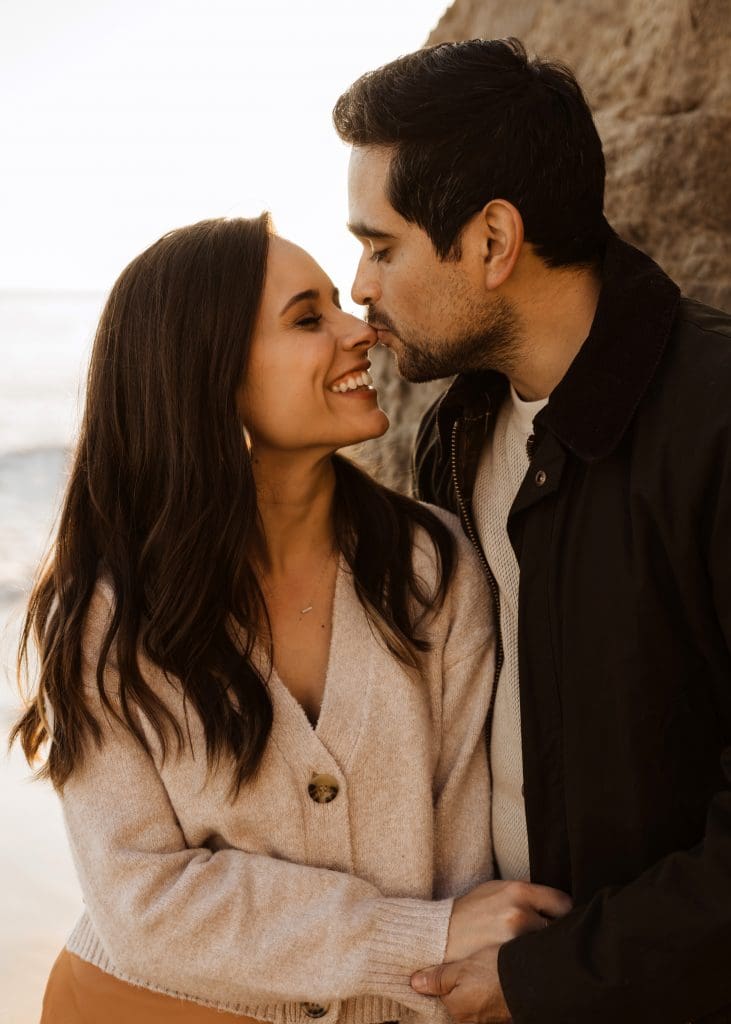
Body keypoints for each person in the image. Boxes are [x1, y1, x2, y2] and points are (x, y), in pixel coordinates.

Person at [9, 214, 570, 1023]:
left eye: (340, 305)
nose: (361, 330)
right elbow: (140, 900)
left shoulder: (431, 570)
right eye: (309, 318)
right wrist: (412, 935)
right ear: (208, 375)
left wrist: (431, 943)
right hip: (140, 1005)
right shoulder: (106, 610)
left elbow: (455, 873)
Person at [333, 36, 731, 1024]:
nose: (360, 287)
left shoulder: (714, 421)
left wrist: (547, 980)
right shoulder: (457, 435)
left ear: (492, 241)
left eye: (380, 245)